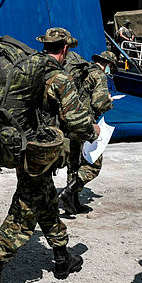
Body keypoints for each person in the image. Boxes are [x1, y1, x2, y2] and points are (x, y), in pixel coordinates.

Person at [0, 28, 99, 283]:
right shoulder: (57, 76)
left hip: (21, 145)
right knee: (23, 214)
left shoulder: (30, 67)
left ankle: (62, 257)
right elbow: (78, 121)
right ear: (65, 49)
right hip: (34, 152)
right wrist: (93, 131)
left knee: (46, 200)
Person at [59, 50, 116, 216]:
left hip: (70, 122)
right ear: (109, 64)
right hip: (85, 124)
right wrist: (109, 102)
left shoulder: (81, 71)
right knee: (93, 164)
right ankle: (69, 191)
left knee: (74, 163)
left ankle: (73, 203)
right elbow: (100, 103)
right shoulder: (99, 76)